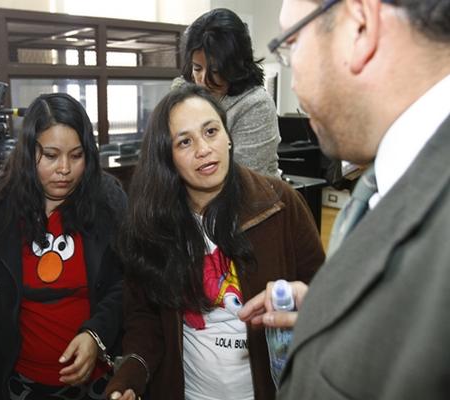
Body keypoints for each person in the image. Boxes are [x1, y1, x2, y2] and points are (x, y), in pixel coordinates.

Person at [239, 0, 450, 399]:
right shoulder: (392, 177)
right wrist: (331, 310)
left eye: (293, 42)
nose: (294, 82)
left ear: (359, 28)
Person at [105, 84, 324, 400]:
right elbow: (145, 318)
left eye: (211, 131)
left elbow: (321, 293)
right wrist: (131, 375)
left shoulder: (279, 205)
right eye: (185, 142)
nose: (203, 149)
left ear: (229, 136)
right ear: (167, 156)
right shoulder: (155, 225)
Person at [0, 93, 126, 400]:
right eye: (50, 155)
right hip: (17, 383)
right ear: (28, 151)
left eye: (76, 155)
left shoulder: (107, 200)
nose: (65, 169)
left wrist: (96, 333)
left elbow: (128, 282)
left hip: (97, 383)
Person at [178, 8, 281, 177]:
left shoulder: (255, 105)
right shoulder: (185, 94)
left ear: (236, 66)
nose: (203, 79)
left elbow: (243, 179)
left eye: (216, 70)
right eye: (197, 68)